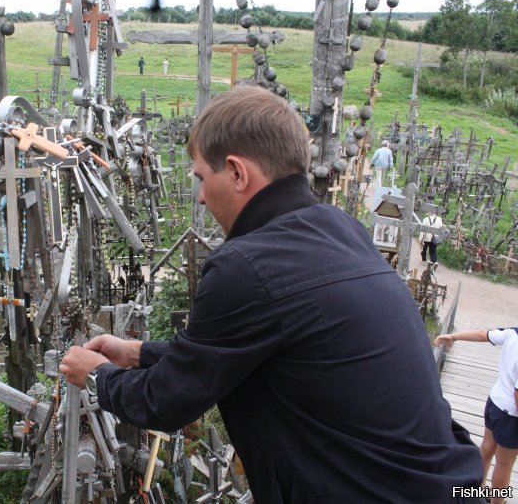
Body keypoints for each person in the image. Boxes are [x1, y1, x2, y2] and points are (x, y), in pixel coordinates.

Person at [61, 86, 483, 502]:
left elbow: (167, 402)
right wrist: (137, 353)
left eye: (202, 178)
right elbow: (231, 351)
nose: (202, 197)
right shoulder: (341, 228)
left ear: (237, 172)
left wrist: (95, 375)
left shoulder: (245, 266)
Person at [435, 329, 518, 504]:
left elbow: (483, 335)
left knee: (486, 449)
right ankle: (497, 502)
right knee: (504, 464)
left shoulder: (512, 333)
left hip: (495, 402)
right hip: (512, 415)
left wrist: (453, 336)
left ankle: (477, 492)